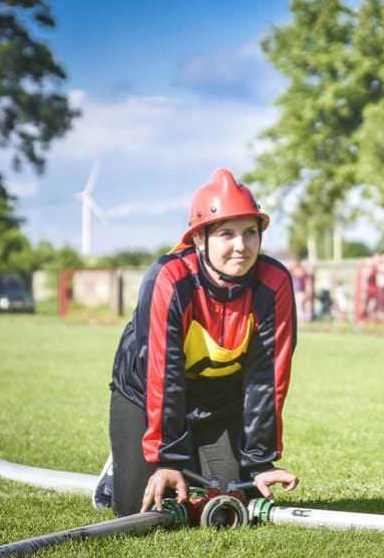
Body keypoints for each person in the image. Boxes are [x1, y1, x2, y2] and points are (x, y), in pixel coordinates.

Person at [93, 168, 299, 516]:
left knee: (234, 500)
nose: (241, 246)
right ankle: (124, 462)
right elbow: (162, 373)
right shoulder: (169, 278)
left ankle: (191, 451)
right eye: (226, 234)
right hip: (144, 394)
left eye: (251, 233)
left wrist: (260, 461)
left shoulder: (274, 282)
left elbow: (267, 378)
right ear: (200, 239)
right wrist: (166, 459)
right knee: (139, 509)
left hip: (217, 400)